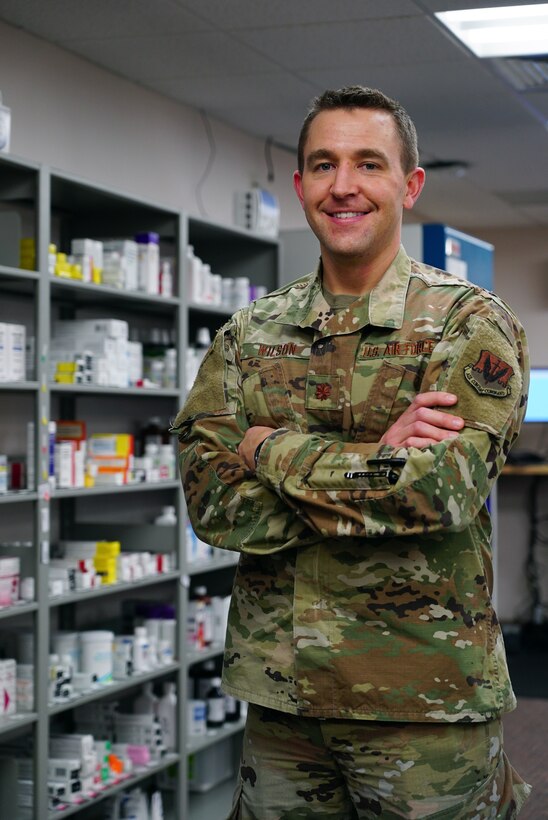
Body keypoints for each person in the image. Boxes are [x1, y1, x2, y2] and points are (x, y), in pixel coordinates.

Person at [172, 86, 531, 818]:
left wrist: (269, 450)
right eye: (323, 164)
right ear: (300, 183)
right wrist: (378, 462)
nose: (344, 186)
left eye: (368, 163)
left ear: (409, 183)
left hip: (423, 702)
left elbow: (443, 492)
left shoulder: (466, 323)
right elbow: (211, 500)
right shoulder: (250, 334)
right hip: (283, 701)